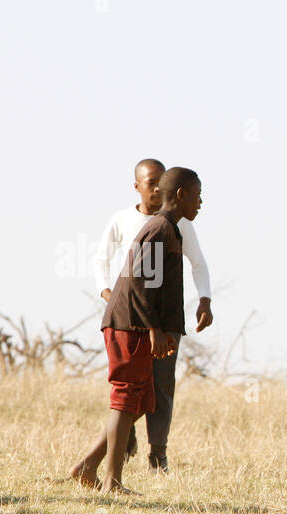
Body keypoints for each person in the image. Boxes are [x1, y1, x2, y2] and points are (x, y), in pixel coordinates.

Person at [70, 168, 202, 493]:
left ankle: (88, 465)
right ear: (181, 195)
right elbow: (140, 283)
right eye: (197, 195)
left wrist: (166, 329)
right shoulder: (159, 230)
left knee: (142, 402)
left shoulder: (169, 229)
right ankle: (112, 482)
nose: (201, 203)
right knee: (126, 398)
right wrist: (154, 329)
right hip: (129, 325)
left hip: (139, 324)